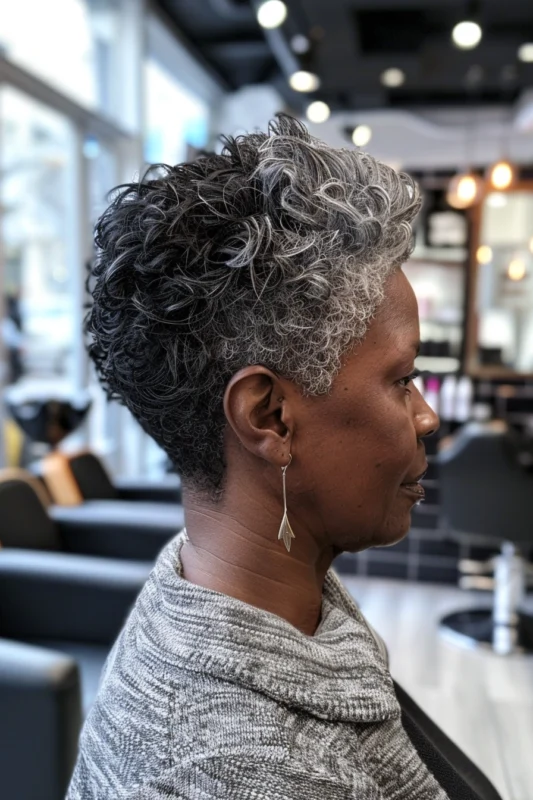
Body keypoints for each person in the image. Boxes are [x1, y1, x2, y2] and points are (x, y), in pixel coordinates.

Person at [67, 115, 444, 799]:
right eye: (400, 380)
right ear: (268, 416)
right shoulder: (237, 775)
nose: (426, 416)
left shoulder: (242, 588)